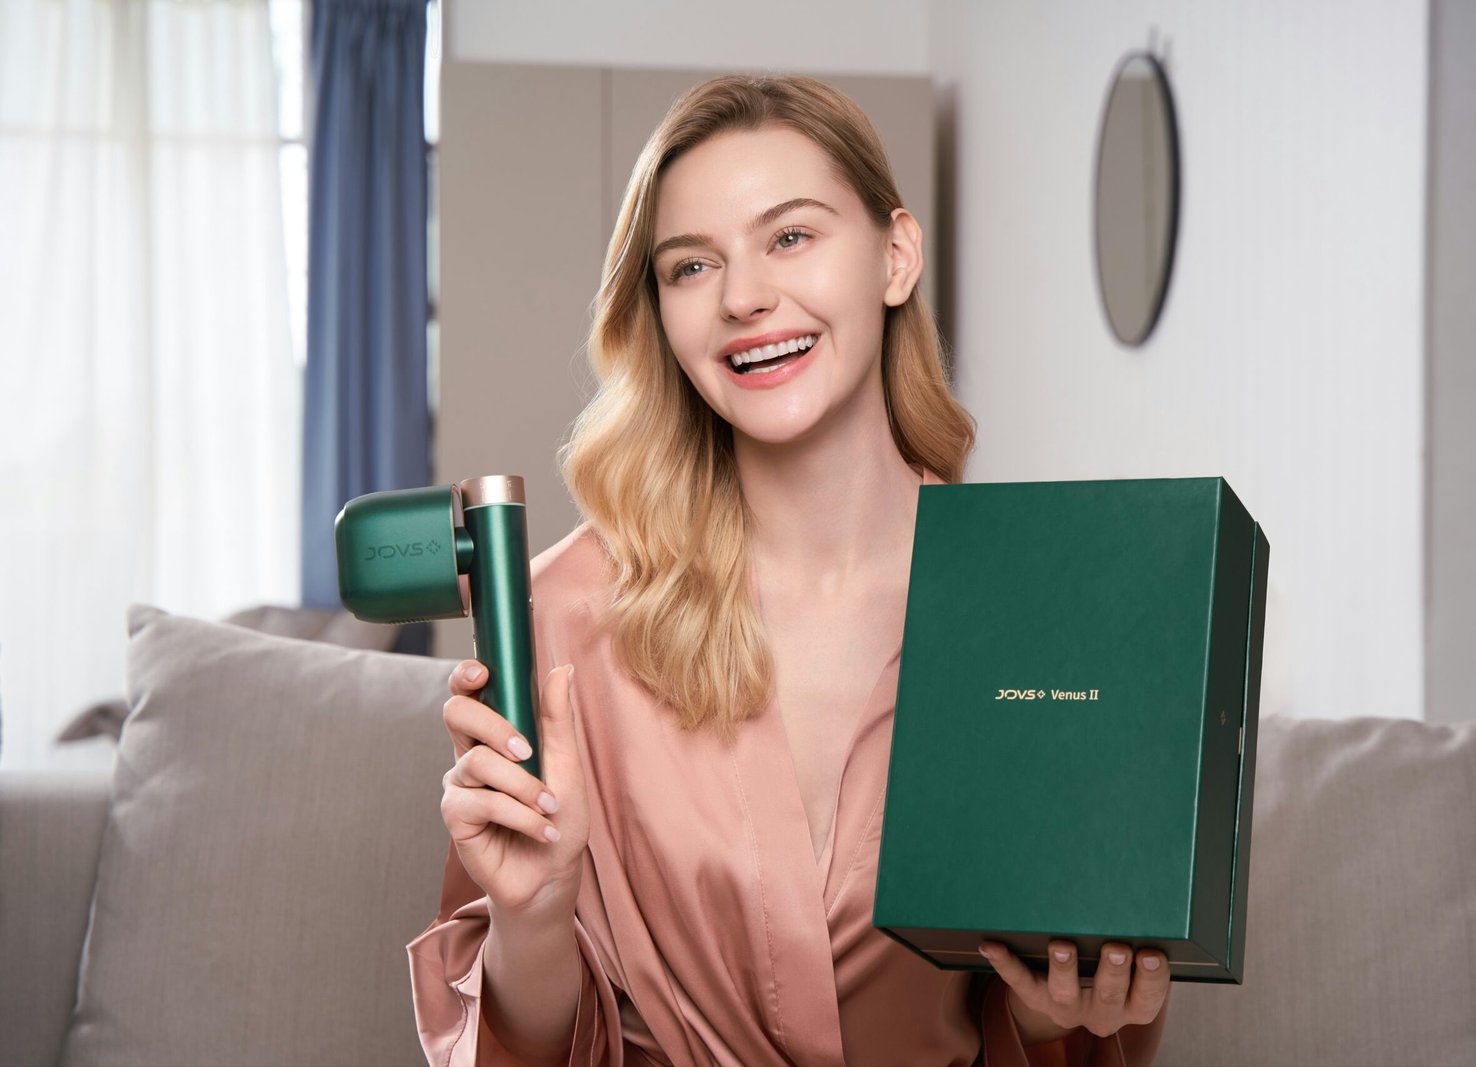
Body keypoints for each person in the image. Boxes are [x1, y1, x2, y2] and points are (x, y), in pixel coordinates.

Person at [406, 74, 1172, 1067]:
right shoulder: (559, 612)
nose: (742, 297)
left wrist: (1049, 1016)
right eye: (689, 265)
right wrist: (536, 916)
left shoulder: (1037, 606)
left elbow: (1056, 1020)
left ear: (895, 256)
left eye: (791, 236)